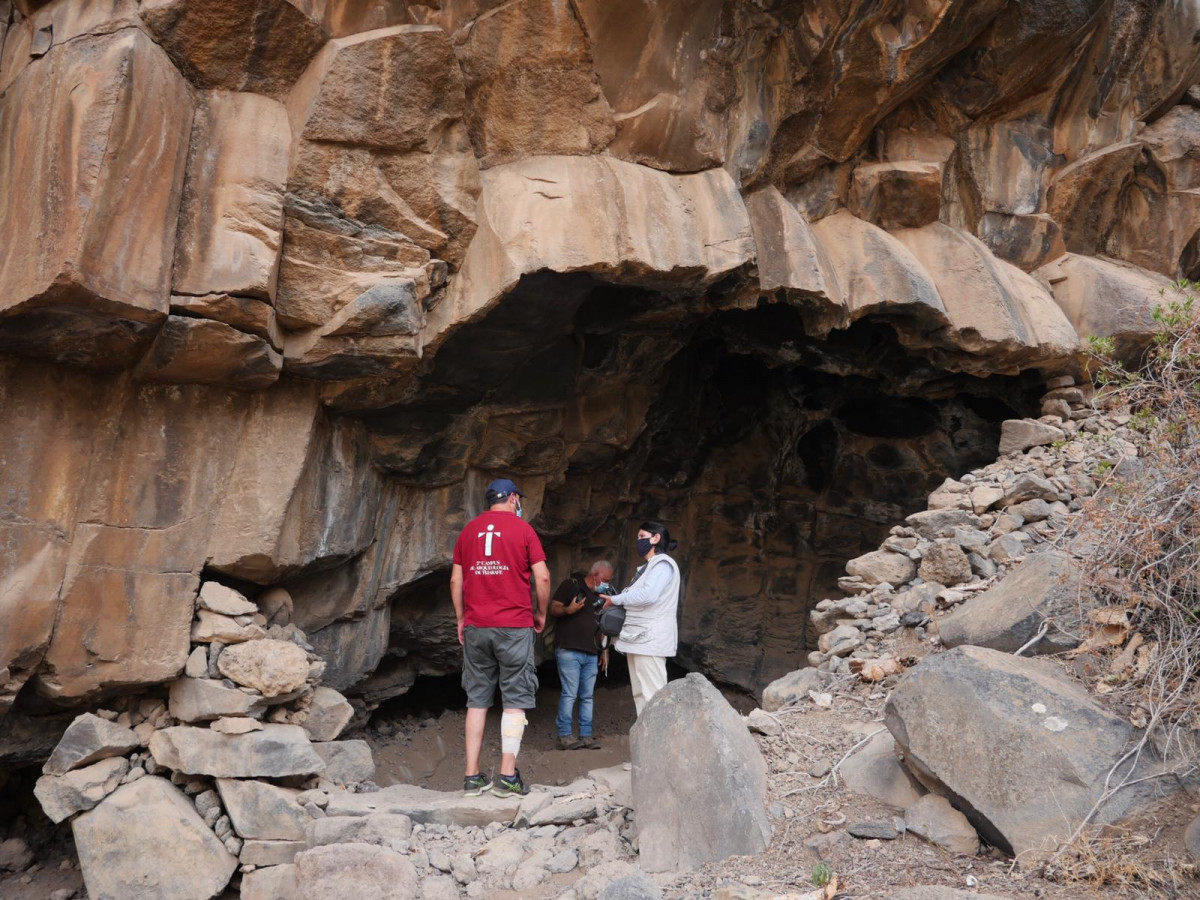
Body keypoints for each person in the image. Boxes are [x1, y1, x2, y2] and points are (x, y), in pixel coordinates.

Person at [450, 478, 550, 798]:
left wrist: (462, 617)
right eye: (518, 498)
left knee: (477, 701)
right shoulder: (524, 531)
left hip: (477, 626)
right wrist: (542, 612)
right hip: (514, 625)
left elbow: (456, 580)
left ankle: (472, 777)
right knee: (515, 699)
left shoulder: (468, 532)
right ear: (510, 499)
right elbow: (543, 575)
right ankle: (507, 776)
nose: (520, 503)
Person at [601, 521, 681, 716]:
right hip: (638, 638)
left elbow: (648, 595)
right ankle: (648, 743)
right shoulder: (649, 567)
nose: (638, 541)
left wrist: (616, 599)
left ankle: (660, 744)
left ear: (656, 538)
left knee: (654, 696)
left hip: (650, 640)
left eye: (642, 536)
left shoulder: (662, 564)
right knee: (640, 694)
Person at [549, 560, 614, 750]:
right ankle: (564, 736)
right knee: (570, 694)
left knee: (587, 696)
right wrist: (568, 610)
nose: (607, 584)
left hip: (592, 653)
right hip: (569, 650)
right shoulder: (571, 585)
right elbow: (553, 608)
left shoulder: (601, 596)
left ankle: (586, 735)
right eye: (606, 580)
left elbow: (604, 625)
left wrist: (605, 649)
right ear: (596, 575)